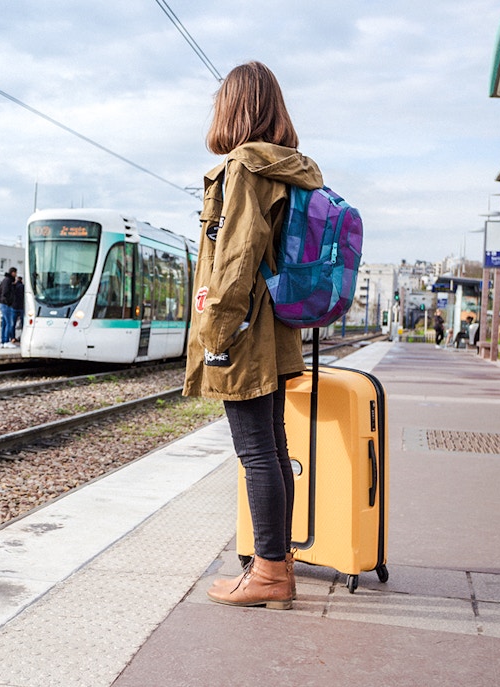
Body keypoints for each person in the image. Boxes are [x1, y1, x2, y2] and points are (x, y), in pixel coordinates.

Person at [184, 61, 324, 611]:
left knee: (256, 453)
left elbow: (237, 256)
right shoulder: (290, 168)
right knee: (272, 446)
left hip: (244, 327)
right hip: (277, 326)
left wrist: (214, 333)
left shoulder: (243, 168)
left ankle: (267, 571)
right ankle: (278, 562)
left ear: (235, 107)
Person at [0, 267, 18, 348]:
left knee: (4, 323)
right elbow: (6, 292)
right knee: (9, 323)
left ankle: (3, 341)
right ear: (13, 273)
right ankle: (6, 341)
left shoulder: (5, 280)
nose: (16, 275)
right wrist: (8, 302)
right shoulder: (8, 281)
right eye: (15, 273)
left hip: (3, 303)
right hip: (5, 304)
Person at [12, 274, 26, 342]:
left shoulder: (13, 286)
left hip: (14, 306)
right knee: (23, 323)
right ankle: (23, 337)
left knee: (13, 324)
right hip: (21, 307)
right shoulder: (23, 287)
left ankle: (12, 337)